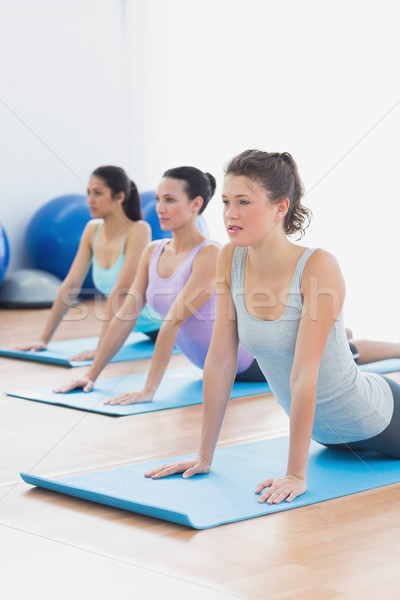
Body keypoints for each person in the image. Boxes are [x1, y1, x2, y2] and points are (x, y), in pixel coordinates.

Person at [144, 149, 400, 505]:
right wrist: (204, 456)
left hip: (377, 417)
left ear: (281, 207)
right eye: (226, 202)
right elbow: (220, 360)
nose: (230, 214)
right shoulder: (230, 258)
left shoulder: (318, 266)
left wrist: (295, 474)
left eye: (244, 202)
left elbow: (303, 374)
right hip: (328, 438)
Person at [54, 166, 265, 401]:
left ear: (195, 204)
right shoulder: (153, 251)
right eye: (158, 199)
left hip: (254, 363)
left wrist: (148, 391)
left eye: (170, 200)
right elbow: (126, 315)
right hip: (213, 367)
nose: (160, 209)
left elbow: (172, 323)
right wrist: (91, 375)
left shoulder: (210, 254)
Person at [17, 166, 156, 360]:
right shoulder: (92, 230)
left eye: (98, 193)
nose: (90, 200)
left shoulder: (139, 230)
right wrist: (43, 339)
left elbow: (120, 293)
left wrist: (101, 350)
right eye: (88, 192)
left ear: (120, 197)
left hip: (165, 324)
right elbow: (71, 284)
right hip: (136, 328)